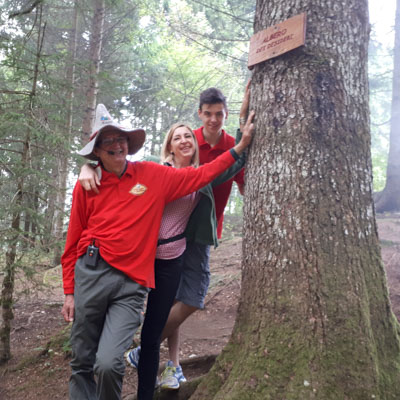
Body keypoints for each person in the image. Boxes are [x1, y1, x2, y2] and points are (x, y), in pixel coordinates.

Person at [61, 103, 254, 400]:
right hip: (93, 269)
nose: (117, 145)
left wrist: (240, 143)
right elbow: (74, 238)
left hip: (134, 277)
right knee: (83, 360)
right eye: (108, 141)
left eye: (121, 139)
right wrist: (69, 290)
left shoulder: (151, 175)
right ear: (97, 151)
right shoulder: (90, 182)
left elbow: (204, 174)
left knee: (111, 363)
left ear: (129, 144)